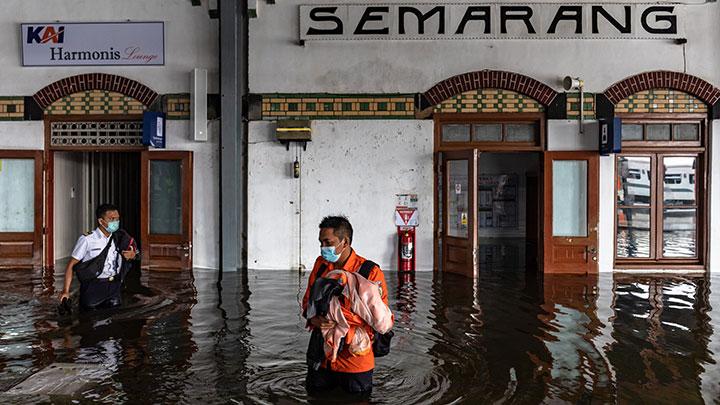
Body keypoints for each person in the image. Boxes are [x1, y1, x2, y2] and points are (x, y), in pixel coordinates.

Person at [302, 215, 390, 397]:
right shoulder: (321, 265)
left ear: (345, 241)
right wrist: (314, 319)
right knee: (315, 397)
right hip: (322, 356)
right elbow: (308, 301)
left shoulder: (369, 273)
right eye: (321, 242)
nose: (323, 248)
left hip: (354, 361)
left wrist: (341, 324)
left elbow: (382, 320)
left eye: (328, 242)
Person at [58, 204, 138, 310]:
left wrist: (133, 256)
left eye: (117, 219)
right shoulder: (87, 239)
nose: (116, 222)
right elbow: (71, 265)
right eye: (111, 219)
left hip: (114, 286)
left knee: (115, 320)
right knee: (88, 321)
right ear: (101, 221)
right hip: (93, 288)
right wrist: (65, 291)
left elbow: (134, 254)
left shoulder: (120, 237)